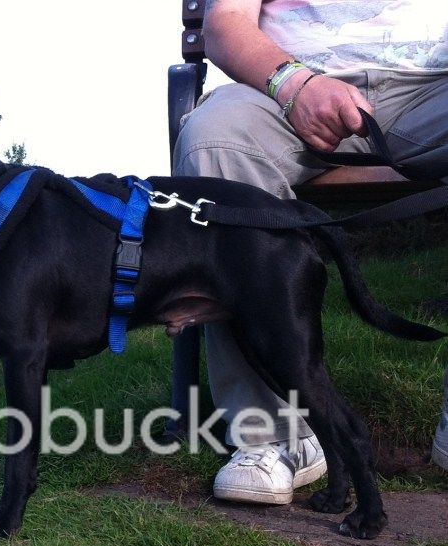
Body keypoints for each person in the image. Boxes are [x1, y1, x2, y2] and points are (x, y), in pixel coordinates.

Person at [173, 0, 448, 502]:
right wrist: (296, 85)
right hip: (282, 86)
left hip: (434, 88)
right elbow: (225, 23)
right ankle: (274, 437)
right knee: (212, 141)